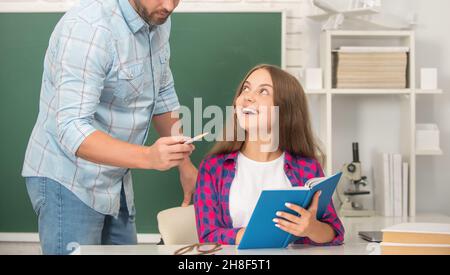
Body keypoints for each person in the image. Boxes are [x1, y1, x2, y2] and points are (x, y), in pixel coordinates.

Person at [21, 0, 197, 255]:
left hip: (116, 179)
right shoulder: (90, 29)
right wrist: (149, 156)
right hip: (70, 180)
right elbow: (71, 128)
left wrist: (184, 164)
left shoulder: (156, 19)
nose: (169, 6)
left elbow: (163, 94)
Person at [194, 64, 345, 245]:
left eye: (263, 91)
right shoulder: (214, 167)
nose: (248, 97)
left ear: (285, 110)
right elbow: (207, 235)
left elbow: (335, 233)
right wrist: (252, 236)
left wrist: (311, 228)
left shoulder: (307, 167)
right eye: (246, 88)